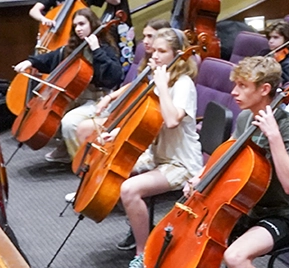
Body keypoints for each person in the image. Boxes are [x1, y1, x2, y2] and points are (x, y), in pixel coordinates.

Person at [85, 29, 204, 267]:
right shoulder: (158, 80)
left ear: (177, 55)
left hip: (181, 162)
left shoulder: (183, 84)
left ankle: (143, 253)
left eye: (162, 51)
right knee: (115, 168)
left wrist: (161, 85)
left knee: (129, 189)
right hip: (158, 155)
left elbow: (171, 120)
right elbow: (146, 123)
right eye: (155, 50)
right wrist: (116, 134)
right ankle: (140, 227)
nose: (155, 55)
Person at [198, 56, 289, 268]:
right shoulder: (245, 118)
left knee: (235, 257)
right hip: (246, 207)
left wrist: (274, 137)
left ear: (264, 89)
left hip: (282, 215)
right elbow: (224, 156)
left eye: (242, 86)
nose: (233, 92)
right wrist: (200, 178)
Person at [13, 8, 126, 162]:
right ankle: (66, 147)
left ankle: (82, 161)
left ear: (92, 25)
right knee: (50, 116)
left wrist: (96, 50)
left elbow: (115, 76)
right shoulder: (73, 49)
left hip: (97, 100)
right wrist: (30, 62)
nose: (78, 29)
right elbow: (52, 57)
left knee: (69, 122)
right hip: (76, 98)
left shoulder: (104, 49)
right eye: (75, 26)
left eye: (82, 24)